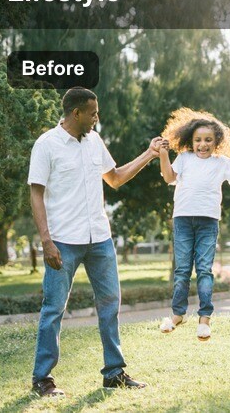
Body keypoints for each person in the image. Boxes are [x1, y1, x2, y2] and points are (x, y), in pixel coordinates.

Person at [27, 87, 155, 396]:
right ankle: (42, 378)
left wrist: (149, 154)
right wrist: (46, 241)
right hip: (63, 241)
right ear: (76, 113)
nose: (97, 118)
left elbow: (115, 178)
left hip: (99, 238)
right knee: (54, 308)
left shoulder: (94, 141)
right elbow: (36, 192)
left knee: (110, 303)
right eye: (93, 113)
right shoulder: (47, 144)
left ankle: (114, 372)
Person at [157, 108, 230, 340]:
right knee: (182, 270)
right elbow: (169, 177)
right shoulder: (184, 158)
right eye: (197, 140)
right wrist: (163, 154)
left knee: (204, 269)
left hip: (208, 222)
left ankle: (204, 319)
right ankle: (177, 315)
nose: (202, 145)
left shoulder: (221, 163)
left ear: (217, 142)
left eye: (208, 140)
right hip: (183, 219)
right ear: (190, 141)